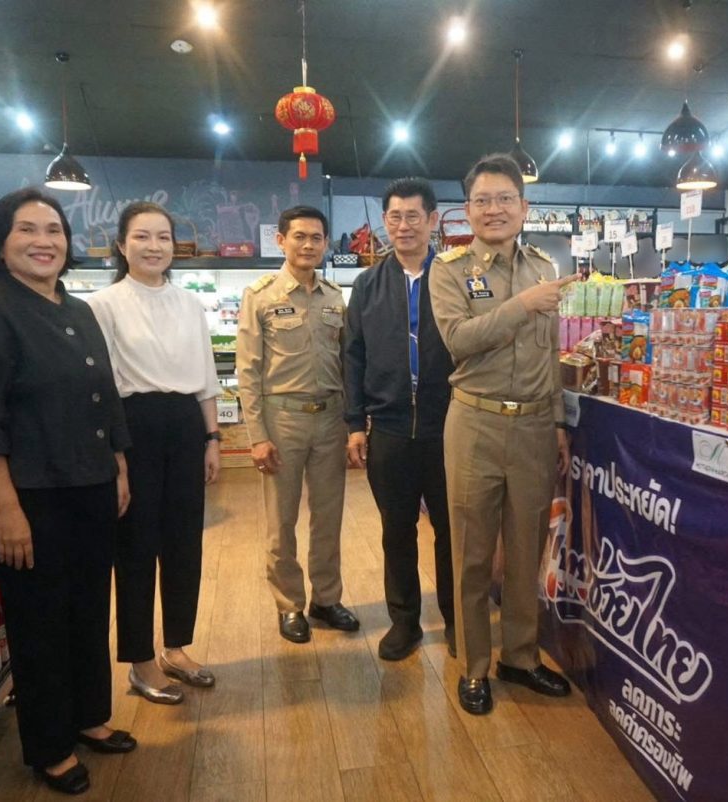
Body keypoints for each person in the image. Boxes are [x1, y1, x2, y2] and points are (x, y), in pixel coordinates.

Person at [0, 188, 136, 796]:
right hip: (31, 496)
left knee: (88, 607)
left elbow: (105, 397)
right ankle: (51, 746)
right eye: (26, 229)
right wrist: (5, 508)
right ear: (0, 243)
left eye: (53, 230)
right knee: (40, 620)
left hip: (91, 483)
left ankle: (89, 717)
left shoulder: (76, 309)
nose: (43, 241)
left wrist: (119, 465)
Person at [427, 154, 579, 716]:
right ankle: (474, 666)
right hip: (476, 423)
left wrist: (558, 422)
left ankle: (520, 656)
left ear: (524, 207)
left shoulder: (543, 266)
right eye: (483, 200)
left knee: (526, 549)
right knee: (471, 554)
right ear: (468, 210)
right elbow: (459, 340)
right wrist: (521, 305)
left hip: (536, 425)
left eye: (505, 199)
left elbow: (549, 354)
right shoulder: (450, 270)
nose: (494, 209)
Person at [86, 202, 222, 706]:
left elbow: (206, 376)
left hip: (186, 424)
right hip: (133, 424)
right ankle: (140, 660)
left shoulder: (189, 303)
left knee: (185, 543)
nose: (153, 246)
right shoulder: (103, 305)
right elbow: (102, 388)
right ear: (122, 245)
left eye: (163, 237)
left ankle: (176, 647)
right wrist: (117, 458)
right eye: (142, 237)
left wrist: (212, 438)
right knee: (136, 546)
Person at [236, 205, 359, 643]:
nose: (308, 245)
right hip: (281, 420)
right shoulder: (261, 296)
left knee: (328, 517)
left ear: (325, 243)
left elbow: (347, 363)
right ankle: (289, 604)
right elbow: (248, 371)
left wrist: (352, 424)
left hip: (329, 419)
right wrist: (257, 436)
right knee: (281, 520)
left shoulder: (335, 296)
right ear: (281, 241)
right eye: (299, 236)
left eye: (316, 237)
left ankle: (326, 599)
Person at [344, 178, 454, 661]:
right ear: (385, 222)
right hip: (388, 430)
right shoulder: (368, 285)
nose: (404, 225)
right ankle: (404, 621)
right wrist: (354, 423)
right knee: (397, 530)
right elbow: (352, 356)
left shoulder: (453, 278)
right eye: (395, 216)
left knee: (452, 530)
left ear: (432, 220)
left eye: (413, 216)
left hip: (448, 428)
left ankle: (457, 619)